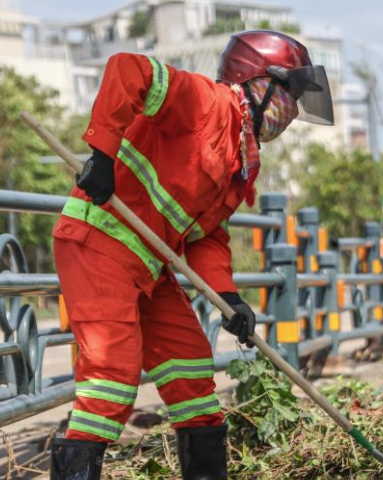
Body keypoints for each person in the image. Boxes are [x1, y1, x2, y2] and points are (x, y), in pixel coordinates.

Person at [49, 30, 333, 480]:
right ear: (256, 82)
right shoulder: (207, 102)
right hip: (98, 242)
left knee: (193, 375)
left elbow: (206, 238)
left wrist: (229, 299)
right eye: (290, 96)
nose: (292, 112)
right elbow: (128, 68)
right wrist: (102, 155)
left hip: (149, 263)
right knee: (111, 380)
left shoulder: (239, 160)